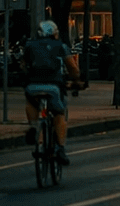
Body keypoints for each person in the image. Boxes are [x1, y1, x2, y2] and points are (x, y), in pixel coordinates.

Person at [24, 21, 82, 164]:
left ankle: (33, 126)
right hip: (54, 87)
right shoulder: (61, 46)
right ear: (55, 33)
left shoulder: (29, 46)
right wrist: (76, 81)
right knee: (59, 113)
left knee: (31, 101)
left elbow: (23, 66)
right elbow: (73, 69)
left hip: (33, 86)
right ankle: (60, 148)